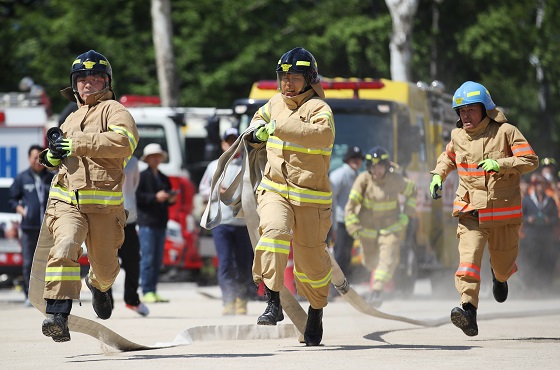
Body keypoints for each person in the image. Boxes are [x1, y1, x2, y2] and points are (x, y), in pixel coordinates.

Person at [38, 50, 139, 342]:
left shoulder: (115, 111)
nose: (87, 83)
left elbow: (125, 141)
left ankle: (99, 285)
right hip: (67, 202)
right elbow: (56, 158)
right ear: (74, 84)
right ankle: (58, 314)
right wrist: (51, 156)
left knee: (106, 269)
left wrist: (75, 143)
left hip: (104, 208)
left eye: (95, 78)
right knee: (66, 245)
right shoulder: (69, 118)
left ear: (106, 82)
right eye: (82, 78)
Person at [429, 81, 538, 337]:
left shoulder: (507, 132)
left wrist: (501, 164)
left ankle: (499, 278)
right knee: (468, 263)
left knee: (503, 264)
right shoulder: (457, 136)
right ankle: (468, 312)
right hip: (471, 213)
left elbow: (530, 160)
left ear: (485, 109)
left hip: (503, 216)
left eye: (470, 109)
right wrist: (437, 176)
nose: (465, 115)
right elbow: (448, 158)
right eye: (461, 111)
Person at [249, 47, 334, 346]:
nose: (288, 84)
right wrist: (255, 132)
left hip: (311, 197)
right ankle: (273, 302)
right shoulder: (273, 105)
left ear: (309, 79)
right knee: (273, 232)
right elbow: (254, 125)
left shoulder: (320, 110)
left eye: (295, 78)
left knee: (311, 263)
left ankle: (316, 310)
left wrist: (277, 128)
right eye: (283, 77)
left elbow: (320, 136)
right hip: (274, 188)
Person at [344, 146, 416, 307]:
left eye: (380, 167)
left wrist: (407, 215)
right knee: (370, 262)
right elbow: (351, 205)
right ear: (369, 167)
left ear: (386, 166)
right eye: (373, 167)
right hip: (367, 230)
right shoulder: (363, 180)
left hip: (390, 228)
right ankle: (376, 287)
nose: (377, 171)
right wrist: (352, 227)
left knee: (387, 258)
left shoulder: (395, 180)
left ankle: (376, 291)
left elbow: (412, 191)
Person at [199, 127, 255, 315]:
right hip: (220, 221)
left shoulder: (248, 164)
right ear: (223, 144)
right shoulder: (214, 165)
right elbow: (203, 190)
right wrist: (217, 191)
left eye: (235, 141)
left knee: (244, 262)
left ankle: (242, 299)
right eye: (228, 141)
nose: (232, 145)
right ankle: (228, 300)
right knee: (225, 262)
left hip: (243, 222)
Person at [8, 145, 54, 306]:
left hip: (48, 228)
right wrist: (23, 211)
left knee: (49, 263)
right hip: (29, 227)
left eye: (40, 157)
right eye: (34, 157)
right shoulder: (22, 178)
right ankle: (29, 296)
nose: (37, 161)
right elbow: (12, 199)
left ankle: (47, 295)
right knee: (29, 262)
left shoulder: (51, 177)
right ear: (29, 158)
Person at [108, 155, 149, 316]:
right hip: (107, 219)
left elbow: (134, 185)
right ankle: (105, 303)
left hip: (129, 219)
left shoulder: (133, 161)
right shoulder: (104, 156)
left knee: (133, 261)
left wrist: (129, 204)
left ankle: (132, 299)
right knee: (106, 262)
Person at [136, 143, 176, 304]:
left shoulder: (163, 177)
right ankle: (146, 290)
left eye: (157, 156)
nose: (156, 159)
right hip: (147, 222)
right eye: (153, 156)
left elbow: (168, 199)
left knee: (157, 259)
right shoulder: (142, 176)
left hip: (160, 222)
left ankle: (153, 290)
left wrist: (170, 199)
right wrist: (154, 197)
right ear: (147, 159)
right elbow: (138, 196)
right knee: (147, 258)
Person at [329, 146, 364, 282]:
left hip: (349, 221)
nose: (356, 161)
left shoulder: (355, 175)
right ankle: (334, 288)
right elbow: (331, 197)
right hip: (340, 221)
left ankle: (344, 288)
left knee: (347, 256)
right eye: (353, 158)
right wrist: (332, 222)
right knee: (339, 256)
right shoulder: (340, 174)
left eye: (358, 158)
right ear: (348, 159)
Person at [519, 173, 558, 293]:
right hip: (531, 237)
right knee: (531, 263)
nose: (539, 186)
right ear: (534, 186)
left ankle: (545, 288)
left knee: (545, 263)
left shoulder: (550, 200)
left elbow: (555, 217)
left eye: (541, 184)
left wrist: (548, 220)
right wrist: (528, 219)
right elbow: (521, 216)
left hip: (546, 238)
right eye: (537, 184)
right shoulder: (527, 200)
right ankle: (530, 288)